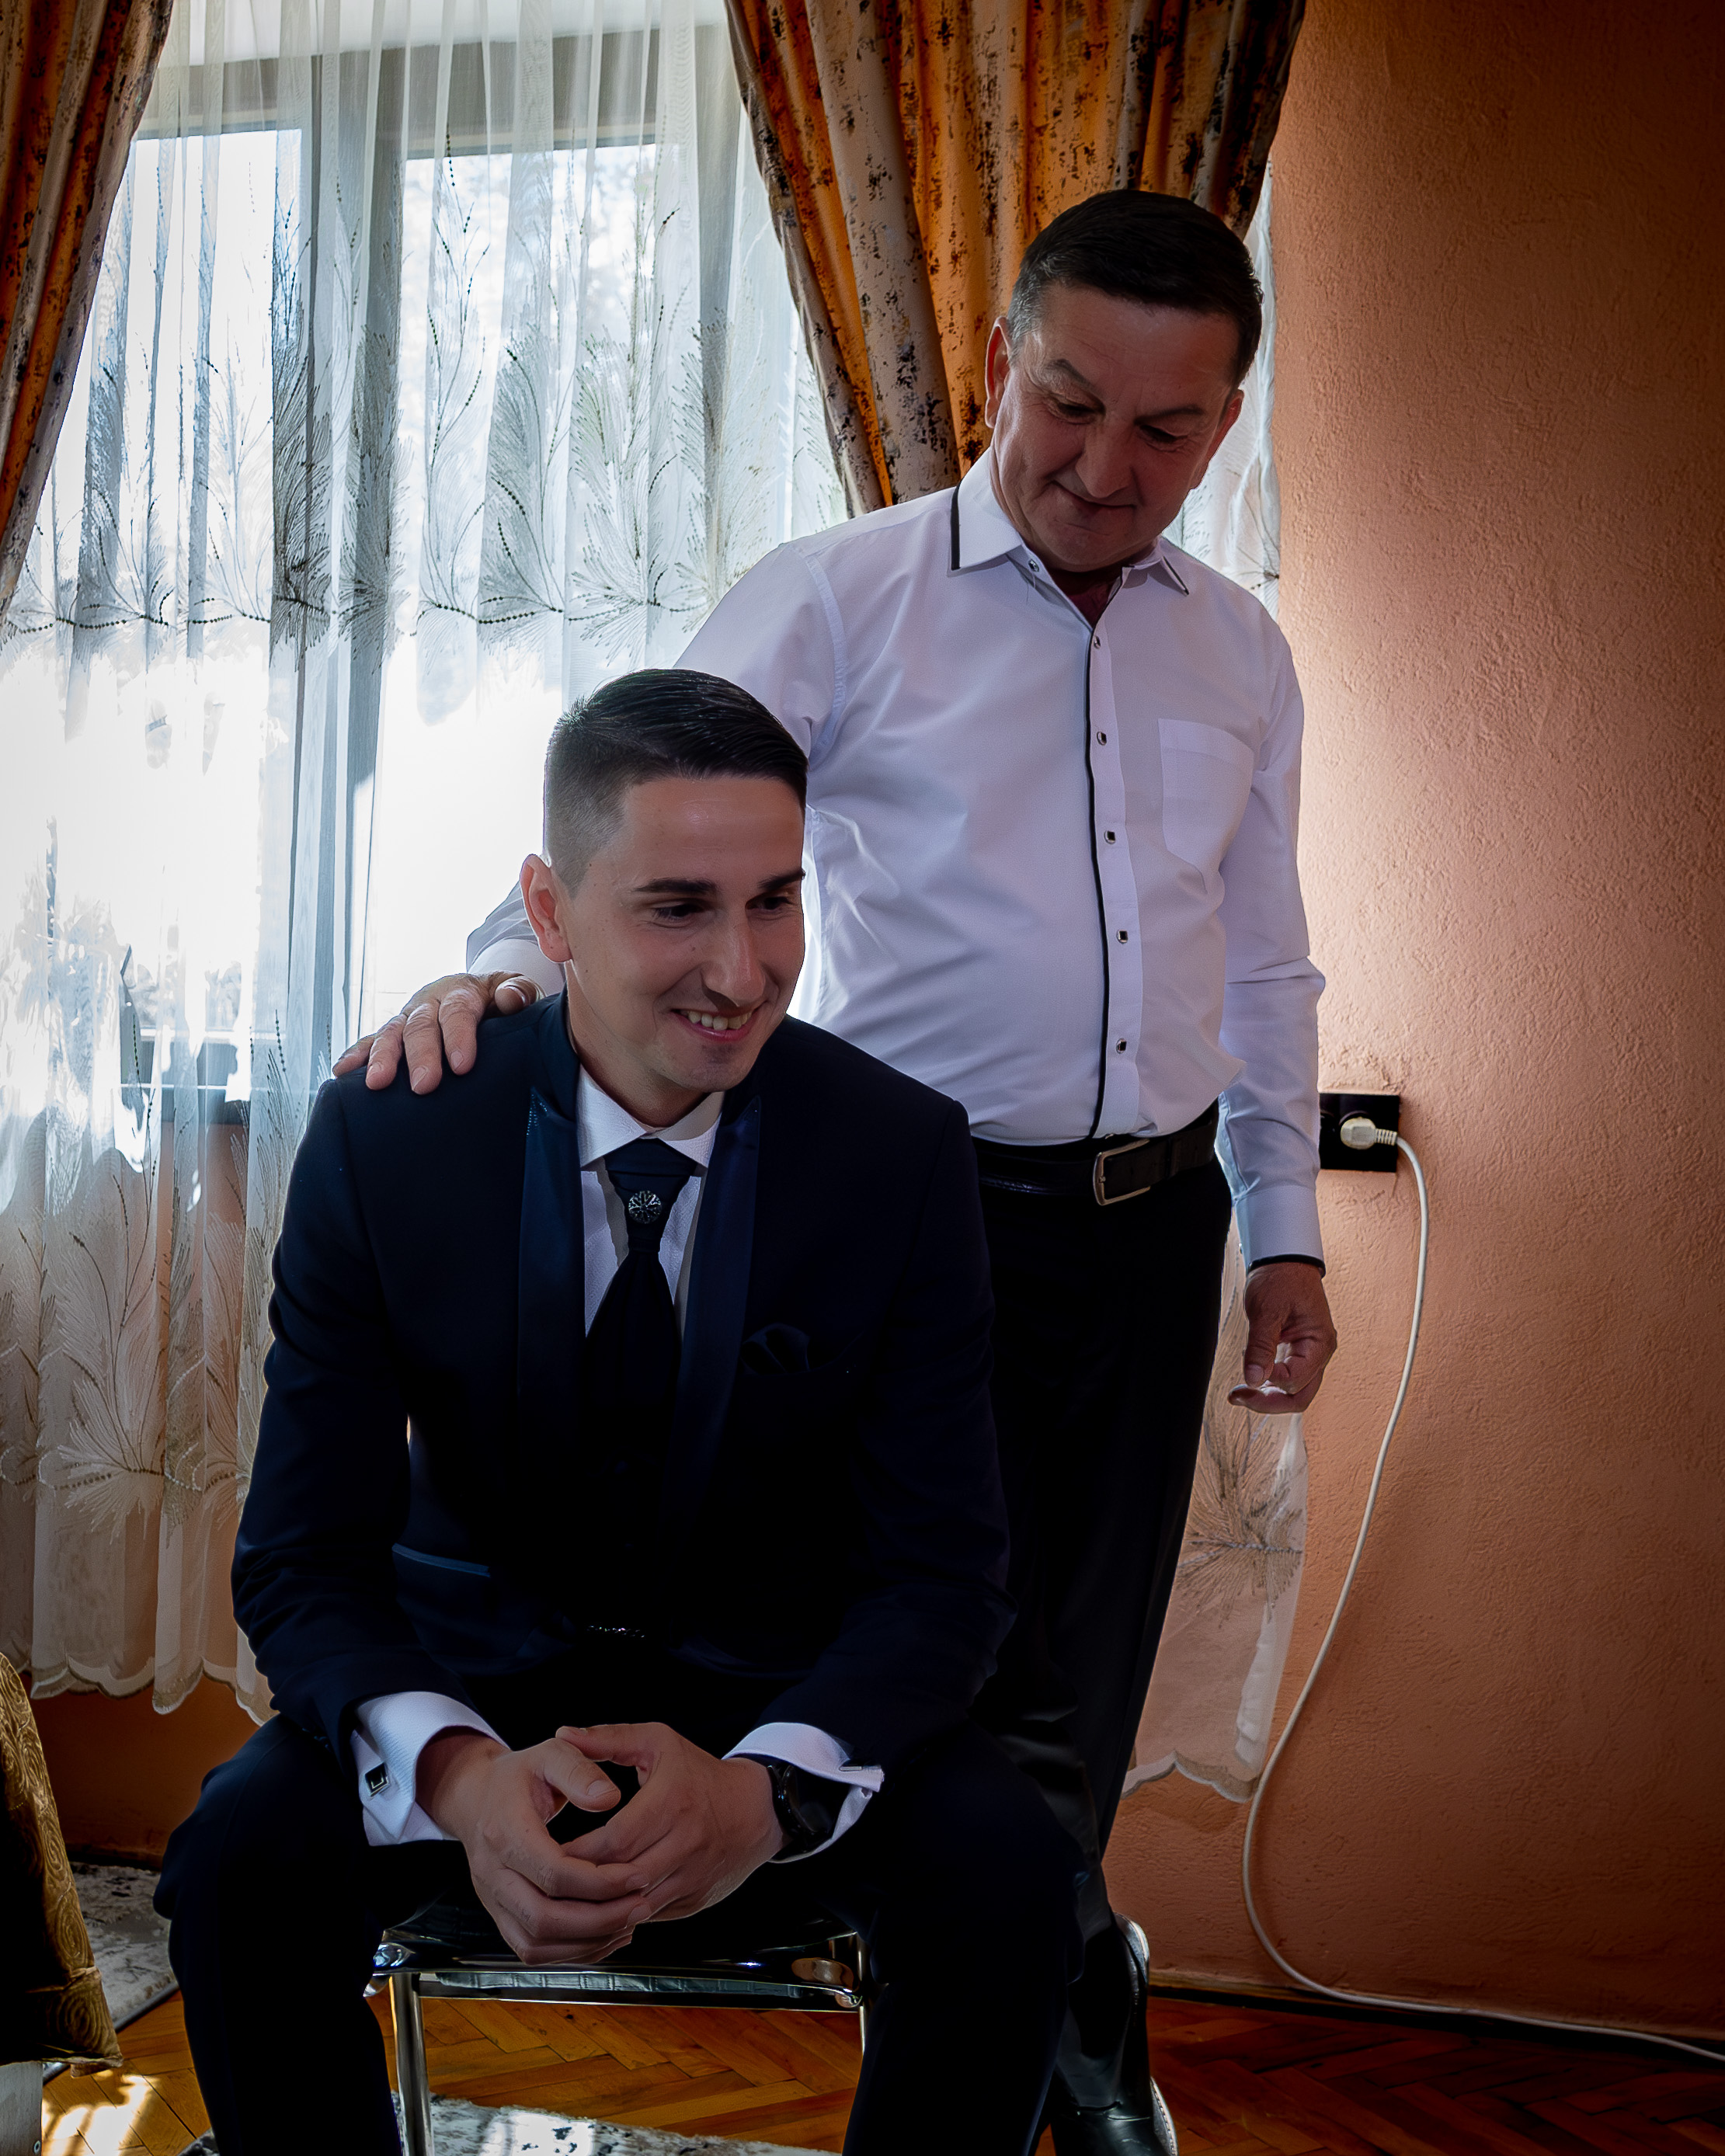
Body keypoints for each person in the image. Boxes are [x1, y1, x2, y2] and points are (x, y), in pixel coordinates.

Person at [341, 190, 1337, 2153]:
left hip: (1157, 1233)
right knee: (930, 1661)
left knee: (1089, 1675)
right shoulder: (842, 597)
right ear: (1003, 364)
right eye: (1068, 402)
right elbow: (649, 818)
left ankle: (1060, 1993)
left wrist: (1284, 1226)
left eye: (1163, 429)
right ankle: (1004, 2011)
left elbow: (1269, 960)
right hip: (909, 1228)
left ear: (1224, 425)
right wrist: (491, 982)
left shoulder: (1243, 651)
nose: (1103, 465)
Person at [156, 673, 1084, 2156]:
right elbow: (301, 1559)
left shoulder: (898, 1154)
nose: (742, 969)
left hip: (775, 1692)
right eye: (676, 908)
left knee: (1011, 1872)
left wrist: (763, 1795)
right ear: (549, 908)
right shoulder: (389, 1140)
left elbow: (943, 1575)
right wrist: (459, 1778)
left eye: (774, 901)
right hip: (474, 1687)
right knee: (237, 1856)